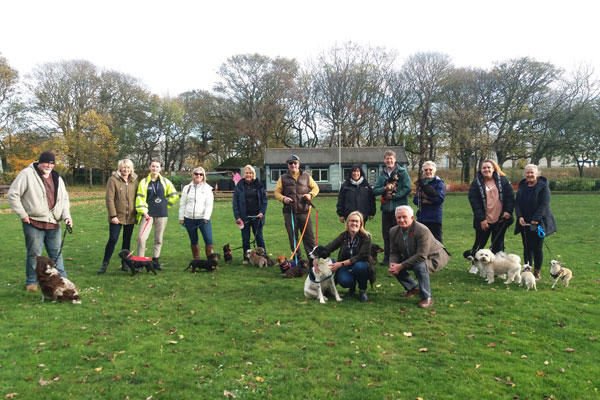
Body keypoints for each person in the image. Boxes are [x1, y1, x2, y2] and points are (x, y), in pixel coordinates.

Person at [7, 151, 73, 291]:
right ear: (40, 162)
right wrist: (23, 214)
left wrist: (67, 216)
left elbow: (64, 199)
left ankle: (63, 281)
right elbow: (13, 194)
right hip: (33, 223)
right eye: (46, 162)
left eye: (51, 163)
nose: (49, 165)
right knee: (34, 254)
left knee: (56, 255)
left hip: (54, 223)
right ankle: (32, 282)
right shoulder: (27, 174)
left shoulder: (57, 178)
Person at [388, 206, 449, 308]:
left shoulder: (422, 230)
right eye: (399, 217)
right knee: (396, 266)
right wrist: (393, 264)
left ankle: (426, 297)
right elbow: (394, 252)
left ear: (412, 217)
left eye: (404, 217)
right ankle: (413, 288)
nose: (401, 220)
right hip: (413, 255)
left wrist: (401, 265)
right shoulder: (393, 231)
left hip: (433, 257)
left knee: (419, 267)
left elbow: (421, 255)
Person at [514, 164, 556, 280]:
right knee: (527, 247)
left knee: (537, 247)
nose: (530, 175)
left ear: (537, 174)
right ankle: (528, 269)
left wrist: (535, 219)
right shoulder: (522, 186)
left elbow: (544, 204)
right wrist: (520, 216)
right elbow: (517, 203)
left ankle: (537, 272)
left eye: (532, 172)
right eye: (527, 173)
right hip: (524, 222)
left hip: (539, 222)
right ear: (524, 174)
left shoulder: (544, 187)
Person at [274, 155, 319, 260]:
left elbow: (316, 188)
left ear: (299, 164)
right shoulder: (283, 178)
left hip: (304, 212)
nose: (293, 165)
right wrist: (283, 198)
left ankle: (313, 261)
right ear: (288, 165)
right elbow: (276, 192)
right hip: (289, 213)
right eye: (291, 163)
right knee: (293, 238)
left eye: (295, 163)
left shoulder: (307, 176)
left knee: (309, 238)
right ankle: (297, 260)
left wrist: (310, 195)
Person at [135, 159, 179, 270]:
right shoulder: (144, 182)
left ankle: (155, 261)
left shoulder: (165, 181)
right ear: (149, 167)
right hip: (148, 215)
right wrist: (144, 212)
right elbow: (140, 198)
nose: (155, 168)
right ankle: (140, 262)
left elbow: (174, 195)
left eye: (157, 167)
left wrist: (165, 205)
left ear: (160, 169)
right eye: (153, 166)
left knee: (158, 239)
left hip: (162, 214)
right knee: (141, 238)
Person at [466, 159, 514, 257]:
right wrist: (482, 219)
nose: (486, 169)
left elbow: (510, 197)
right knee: (480, 243)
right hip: (484, 219)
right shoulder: (476, 183)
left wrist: (508, 211)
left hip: (500, 219)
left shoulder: (503, 180)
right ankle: (475, 264)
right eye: (484, 168)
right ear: (480, 170)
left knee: (498, 244)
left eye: (489, 167)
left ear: (493, 169)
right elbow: (475, 203)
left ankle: (497, 266)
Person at [98, 159, 138, 274]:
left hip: (130, 217)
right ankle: (105, 263)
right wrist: (113, 215)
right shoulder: (113, 180)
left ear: (131, 169)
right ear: (120, 168)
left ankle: (125, 264)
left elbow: (137, 197)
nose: (126, 170)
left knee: (127, 241)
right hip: (116, 217)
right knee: (113, 239)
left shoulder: (134, 181)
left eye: (128, 167)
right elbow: (109, 199)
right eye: (124, 167)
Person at [372, 150, 411, 266]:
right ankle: (387, 257)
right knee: (387, 235)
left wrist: (395, 196)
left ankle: (402, 258)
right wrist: (384, 189)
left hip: (399, 210)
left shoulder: (402, 172)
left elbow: (407, 188)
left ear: (395, 160)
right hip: (386, 210)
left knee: (400, 234)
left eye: (391, 158)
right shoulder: (382, 174)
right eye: (387, 159)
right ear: (384, 160)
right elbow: (375, 190)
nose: (389, 161)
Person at [325, 211, 373, 302]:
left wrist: (341, 264)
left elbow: (361, 256)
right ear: (347, 223)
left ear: (361, 223)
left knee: (359, 267)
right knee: (345, 281)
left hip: (361, 264)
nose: (354, 223)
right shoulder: (343, 236)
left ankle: (362, 290)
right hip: (346, 265)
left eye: (356, 221)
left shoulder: (366, 237)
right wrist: (317, 257)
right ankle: (352, 284)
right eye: (351, 221)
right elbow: (330, 247)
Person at [233, 165, 268, 264]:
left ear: (253, 174)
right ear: (244, 174)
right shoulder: (239, 186)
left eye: (250, 173)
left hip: (257, 217)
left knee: (259, 238)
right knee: (245, 238)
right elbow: (235, 203)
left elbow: (264, 201)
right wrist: (237, 217)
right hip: (244, 217)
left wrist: (262, 212)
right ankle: (246, 258)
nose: (248, 175)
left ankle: (264, 257)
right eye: (247, 173)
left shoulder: (259, 185)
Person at [179, 166, 214, 260]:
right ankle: (197, 260)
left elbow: (209, 205)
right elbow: (183, 203)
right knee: (193, 240)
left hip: (203, 219)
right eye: (196, 174)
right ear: (193, 175)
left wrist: (206, 217)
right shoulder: (187, 188)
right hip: (189, 218)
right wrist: (181, 218)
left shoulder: (207, 189)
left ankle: (211, 261)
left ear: (203, 176)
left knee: (208, 240)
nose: (198, 175)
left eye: (201, 174)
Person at [413, 161, 446, 243]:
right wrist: (425, 201)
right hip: (422, 217)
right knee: (421, 241)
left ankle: (440, 256)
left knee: (436, 242)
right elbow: (415, 200)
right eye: (426, 170)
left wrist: (426, 198)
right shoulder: (421, 182)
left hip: (434, 218)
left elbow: (439, 199)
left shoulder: (439, 183)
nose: (428, 171)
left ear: (435, 170)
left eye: (430, 169)